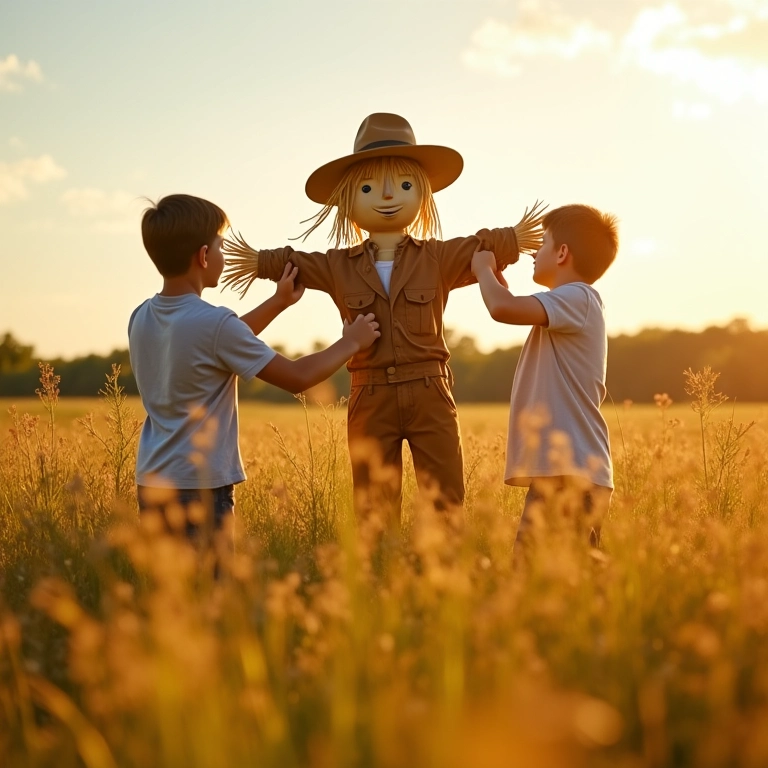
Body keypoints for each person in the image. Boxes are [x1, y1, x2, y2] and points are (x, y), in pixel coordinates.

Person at [222, 112, 544, 521]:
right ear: (346, 200)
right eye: (369, 188)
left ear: (423, 194)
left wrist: (518, 237)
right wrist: (255, 262)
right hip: (370, 394)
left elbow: (485, 244)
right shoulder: (338, 265)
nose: (388, 197)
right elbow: (292, 260)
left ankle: (441, 579)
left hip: (431, 391)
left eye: (405, 186)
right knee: (373, 508)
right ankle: (380, 577)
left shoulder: (438, 257)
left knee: (445, 500)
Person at [128, 193, 380, 541]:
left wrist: (278, 302)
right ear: (203, 257)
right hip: (199, 488)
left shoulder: (141, 316)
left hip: (152, 480)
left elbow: (216, 342)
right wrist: (352, 341)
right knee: (212, 590)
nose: (223, 255)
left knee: (172, 590)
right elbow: (297, 377)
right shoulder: (214, 324)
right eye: (220, 247)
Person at [471, 204, 619, 551]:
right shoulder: (568, 305)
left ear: (563, 253)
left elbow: (502, 308)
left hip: (572, 471)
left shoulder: (578, 297)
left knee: (544, 581)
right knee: (544, 581)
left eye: (544, 244)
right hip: (566, 471)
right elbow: (509, 301)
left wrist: (481, 270)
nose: (535, 252)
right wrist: (496, 282)